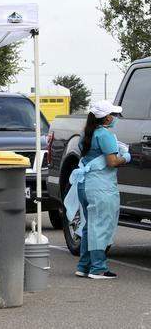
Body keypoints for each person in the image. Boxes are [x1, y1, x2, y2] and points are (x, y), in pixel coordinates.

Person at [70, 100, 131, 279]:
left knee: (90, 225)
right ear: (106, 118)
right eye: (114, 115)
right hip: (100, 186)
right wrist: (126, 157)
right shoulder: (105, 135)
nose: (116, 118)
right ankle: (98, 268)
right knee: (101, 226)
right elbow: (112, 162)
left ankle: (84, 265)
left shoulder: (85, 134)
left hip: (85, 184)